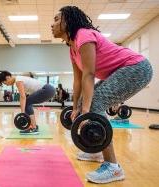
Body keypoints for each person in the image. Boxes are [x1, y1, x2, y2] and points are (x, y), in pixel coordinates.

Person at [51, 6, 153, 184]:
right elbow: (78, 80)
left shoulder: (83, 35)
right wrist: (76, 107)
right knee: (87, 102)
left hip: (137, 68)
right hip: (121, 71)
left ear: (68, 21)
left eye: (57, 19)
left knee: (95, 103)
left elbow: (89, 74)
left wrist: (86, 110)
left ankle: (113, 168)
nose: (52, 24)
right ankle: (97, 150)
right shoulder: (72, 48)